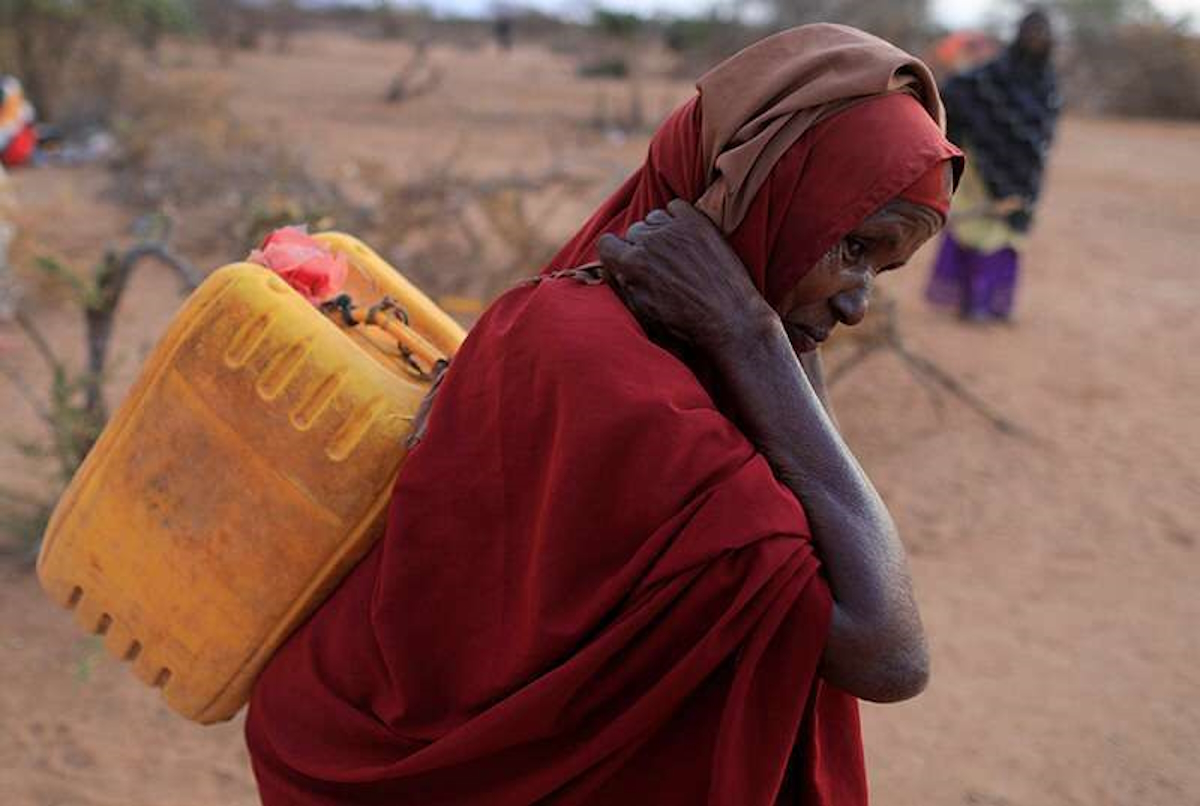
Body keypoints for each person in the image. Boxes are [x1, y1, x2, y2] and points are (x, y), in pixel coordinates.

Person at [246, 24, 961, 805]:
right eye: (855, 247)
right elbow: (888, 653)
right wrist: (755, 337)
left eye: (884, 269)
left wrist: (765, 327)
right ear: (765, 191)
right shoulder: (625, 387)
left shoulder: (581, 319)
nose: (859, 304)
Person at [926, 9, 1061, 321]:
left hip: (1025, 175)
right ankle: (971, 302)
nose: (1036, 41)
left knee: (1008, 238)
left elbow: (1044, 130)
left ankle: (996, 304)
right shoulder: (994, 75)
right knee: (979, 232)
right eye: (1031, 34)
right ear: (1019, 35)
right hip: (985, 168)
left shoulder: (1048, 82)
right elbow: (960, 91)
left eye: (1042, 36)